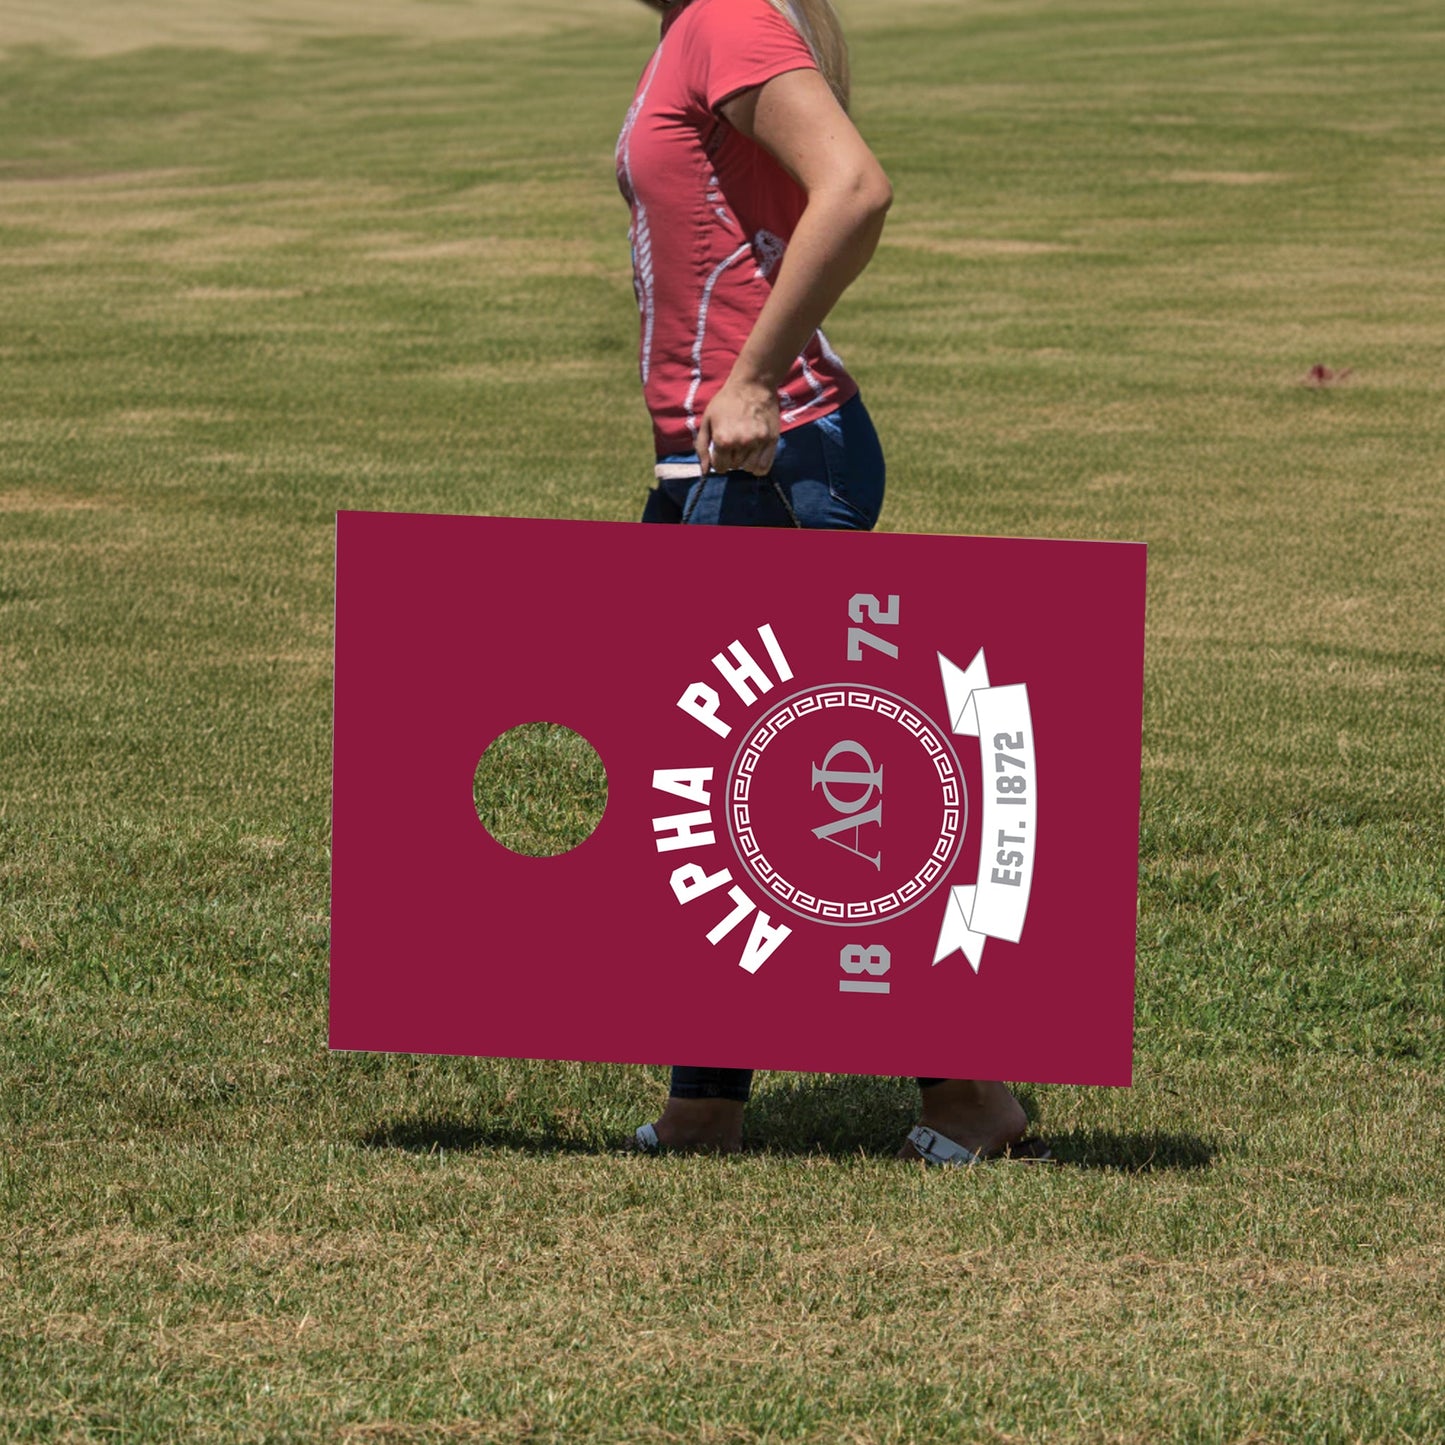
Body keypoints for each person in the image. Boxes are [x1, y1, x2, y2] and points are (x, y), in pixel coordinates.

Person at [619, 0, 1049, 1165]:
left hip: (768, 458)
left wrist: (751, 377)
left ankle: (969, 1091)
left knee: (804, 791)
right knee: (714, 792)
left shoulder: (722, 18)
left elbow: (854, 188)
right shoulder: (690, 28)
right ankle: (704, 1106)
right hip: (717, 460)